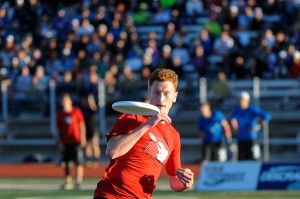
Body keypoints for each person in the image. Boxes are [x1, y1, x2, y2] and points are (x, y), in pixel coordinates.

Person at [93, 69, 194, 198]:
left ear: (175, 96)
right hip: (112, 195)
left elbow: (174, 182)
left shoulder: (174, 135)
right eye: (156, 92)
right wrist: (148, 124)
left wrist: (186, 183)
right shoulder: (133, 117)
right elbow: (112, 151)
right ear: (149, 93)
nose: (161, 99)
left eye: (167, 93)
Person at [56, 93, 86, 190]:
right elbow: (58, 129)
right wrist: (59, 141)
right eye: (63, 101)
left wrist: (83, 137)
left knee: (78, 161)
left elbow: (81, 125)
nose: (64, 103)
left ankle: (78, 182)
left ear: (70, 102)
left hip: (76, 140)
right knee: (66, 162)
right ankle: (68, 181)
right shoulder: (60, 114)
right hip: (65, 141)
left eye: (66, 101)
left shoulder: (76, 111)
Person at [230, 91, 271, 161]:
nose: (240, 101)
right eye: (239, 99)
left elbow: (267, 116)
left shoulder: (252, 109)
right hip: (240, 138)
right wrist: (234, 125)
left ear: (247, 101)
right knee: (241, 159)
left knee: (254, 158)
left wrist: (258, 125)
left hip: (251, 138)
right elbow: (233, 119)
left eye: (242, 99)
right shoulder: (236, 109)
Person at [81, 93, 101, 166]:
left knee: (94, 143)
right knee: (87, 145)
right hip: (87, 129)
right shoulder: (83, 110)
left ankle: (96, 160)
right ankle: (89, 159)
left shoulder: (92, 109)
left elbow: (93, 107)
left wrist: (91, 101)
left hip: (94, 129)